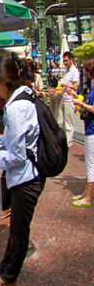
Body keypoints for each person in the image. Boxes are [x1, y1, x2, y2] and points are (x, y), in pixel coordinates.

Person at [0, 54, 45, 286]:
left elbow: (16, 155)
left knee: (18, 231)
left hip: (27, 177)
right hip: (28, 173)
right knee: (16, 229)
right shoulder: (25, 96)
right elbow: (16, 139)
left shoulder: (15, 108)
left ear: (3, 80)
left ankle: (8, 276)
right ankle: (4, 266)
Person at [69, 55, 94, 207]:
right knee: (89, 164)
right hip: (89, 129)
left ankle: (88, 197)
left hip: (92, 130)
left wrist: (81, 104)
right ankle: (86, 192)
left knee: (91, 164)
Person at [57, 51, 79, 148]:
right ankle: (61, 140)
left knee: (68, 123)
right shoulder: (67, 71)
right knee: (60, 120)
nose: (65, 63)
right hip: (63, 98)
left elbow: (75, 87)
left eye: (66, 61)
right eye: (64, 61)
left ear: (71, 60)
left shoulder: (74, 71)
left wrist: (65, 85)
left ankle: (68, 143)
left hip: (69, 100)